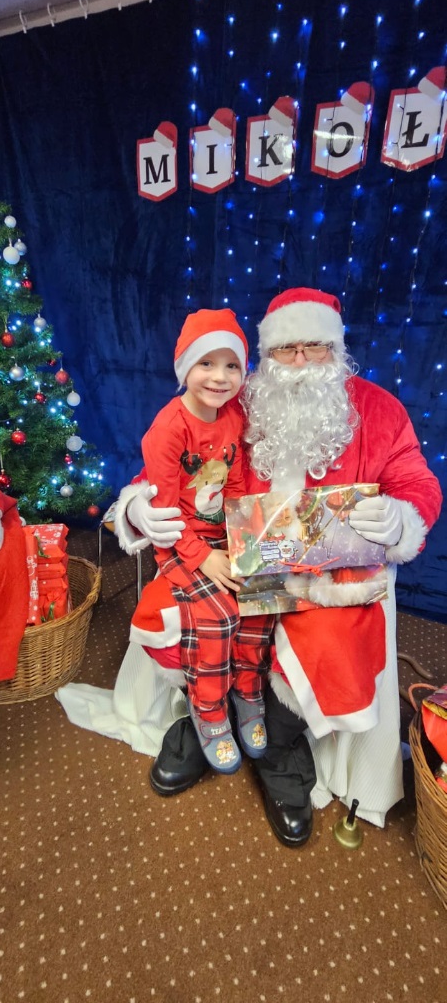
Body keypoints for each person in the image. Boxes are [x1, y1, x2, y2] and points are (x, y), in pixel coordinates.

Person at [113, 287, 442, 847]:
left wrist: (402, 517)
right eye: (287, 348)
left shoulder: (379, 409)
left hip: (326, 576)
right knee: (175, 610)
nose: (301, 360)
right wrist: (138, 505)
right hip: (234, 555)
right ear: (266, 354)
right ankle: (207, 715)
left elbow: (416, 480)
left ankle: (280, 747)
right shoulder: (235, 399)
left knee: (331, 642)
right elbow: (177, 465)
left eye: (315, 346)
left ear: (337, 349)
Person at [130, 307, 274, 774]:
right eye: (206, 363)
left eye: (232, 365)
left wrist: (240, 537)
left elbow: (236, 482)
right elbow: (166, 513)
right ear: (184, 367)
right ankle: (209, 709)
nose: (219, 376)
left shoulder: (232, 416)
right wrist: (204, 557)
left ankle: (247, 691)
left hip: (223, 534)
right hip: (181, 543)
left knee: (261, 597)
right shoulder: (168, 429)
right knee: (218, 617)